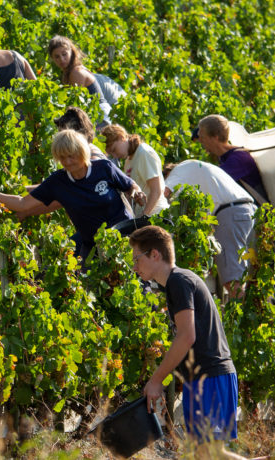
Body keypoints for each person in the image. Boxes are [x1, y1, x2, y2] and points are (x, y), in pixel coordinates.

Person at [129, 226, 244, 459]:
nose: (134, 266)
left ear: (155, 254)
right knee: (206, 454)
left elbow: (186, 336)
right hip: (205, 380)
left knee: (210, 453)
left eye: (137, 259)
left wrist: (156, 380)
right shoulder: (177, 282)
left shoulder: (178, 282)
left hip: (211, 379)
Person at [0, 130, 141, 262]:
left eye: (71, 156)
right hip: (93, 246)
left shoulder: (104, 168)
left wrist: (136, 192)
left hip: (123, 238)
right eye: (62, 158)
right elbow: (22, 204)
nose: (67, 162)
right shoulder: (58, 182)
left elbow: (130, 185)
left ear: (82, 152)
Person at [163, 160, 256, 300]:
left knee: (233, 282)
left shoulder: (178, 171)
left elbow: (163, 192)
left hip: (230, 215)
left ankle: (240, 320)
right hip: (248, 211)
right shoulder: (200, 173)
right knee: (248, 279)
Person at [46, 36, 125, 127]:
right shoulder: (70, 72)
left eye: (64, 54)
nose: (61, 59)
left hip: (100, 119)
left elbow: (75, 107)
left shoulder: (76, 73)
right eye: (57, 57)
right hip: (97, 117)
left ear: (71, 51)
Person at [194, 114, 269, 204]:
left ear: (215, 137)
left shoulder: (239, 158)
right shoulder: (225, 158)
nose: (200, 141)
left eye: (202, 137)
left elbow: (213, 181)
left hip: (258, 215)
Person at [102, 124, 169, 218]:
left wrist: (144, 216)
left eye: (114, 150)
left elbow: (156, 190)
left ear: (121, 137)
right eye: (111, 154)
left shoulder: (143, 153)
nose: (115, 156)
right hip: (144, 216)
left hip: (156, 215)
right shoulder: (128, 161)